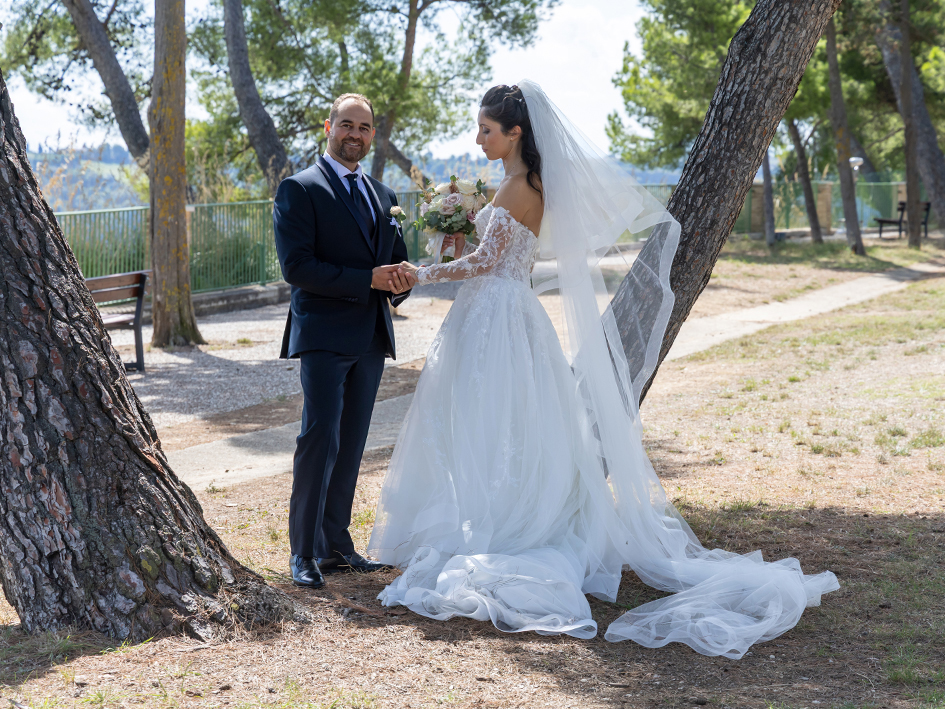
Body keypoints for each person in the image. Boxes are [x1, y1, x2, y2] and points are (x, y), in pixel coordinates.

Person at [367, 81, 839, 658]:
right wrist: (455, 239)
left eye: (487, 130)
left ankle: (497, 521)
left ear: (515, 133)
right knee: (496, 418)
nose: (479, 139)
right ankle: (486, 512)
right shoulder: (523, 184)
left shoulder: (518, 186)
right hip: (501, 311)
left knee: (489, 415)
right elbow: (493, 254)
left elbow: (487, 262)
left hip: (497, 314)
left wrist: (417, 273)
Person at [273, 93, 416, 589]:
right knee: (320, 439)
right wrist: (366, 280)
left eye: (364, 127)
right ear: (328, 127)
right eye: (347, 125)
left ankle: (335, 547)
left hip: (371, 336)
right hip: (323, 334)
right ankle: (302, 552)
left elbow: (394, 260)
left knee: (352, 442)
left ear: (373, 135)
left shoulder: (382, 193)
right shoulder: (299, 188)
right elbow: (297, 267)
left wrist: (403, 281)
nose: (355, 134)